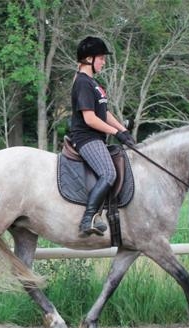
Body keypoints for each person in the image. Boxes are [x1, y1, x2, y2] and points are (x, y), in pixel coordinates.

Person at [69, 36, 136, 237]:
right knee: (108, 173)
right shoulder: (82, 82)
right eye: (101, 58)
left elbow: (103, 113)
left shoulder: (93, 83)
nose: (103, 62)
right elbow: (90, 119)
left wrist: (123, 131)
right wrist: (116, 133)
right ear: (89, 59)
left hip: (96, 138)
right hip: (86, 138)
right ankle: (87, 219)